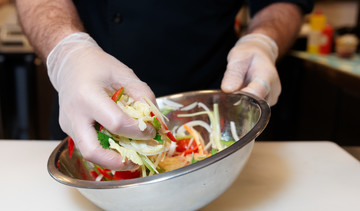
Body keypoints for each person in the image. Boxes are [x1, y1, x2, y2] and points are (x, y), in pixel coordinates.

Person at [16, 0, 313, 170]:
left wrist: (263, 40)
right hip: (86, 97)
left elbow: (282, 1)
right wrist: (68, 52)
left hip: (212, 104)